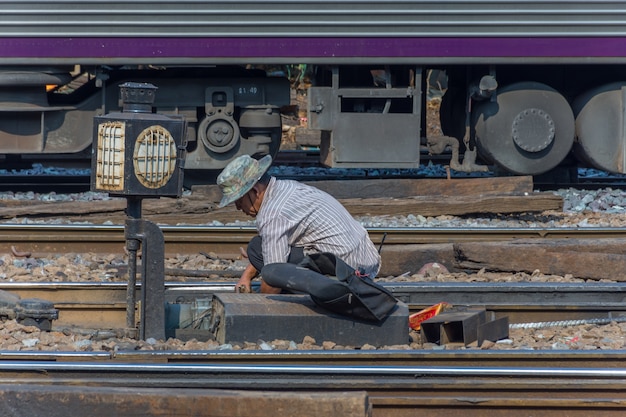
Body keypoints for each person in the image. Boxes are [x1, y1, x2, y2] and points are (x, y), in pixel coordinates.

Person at [216, 154, 381, 294]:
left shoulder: (273, 214)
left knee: (256, 248)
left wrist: (262, 309)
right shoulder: (286, 187)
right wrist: (246, 276)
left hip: (345, 273)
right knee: (259, 247)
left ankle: (309, 295)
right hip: (364, 259)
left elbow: (275, 275)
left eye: (238, 200)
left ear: (255, 192)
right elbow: (269, 247)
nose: (238, 207)